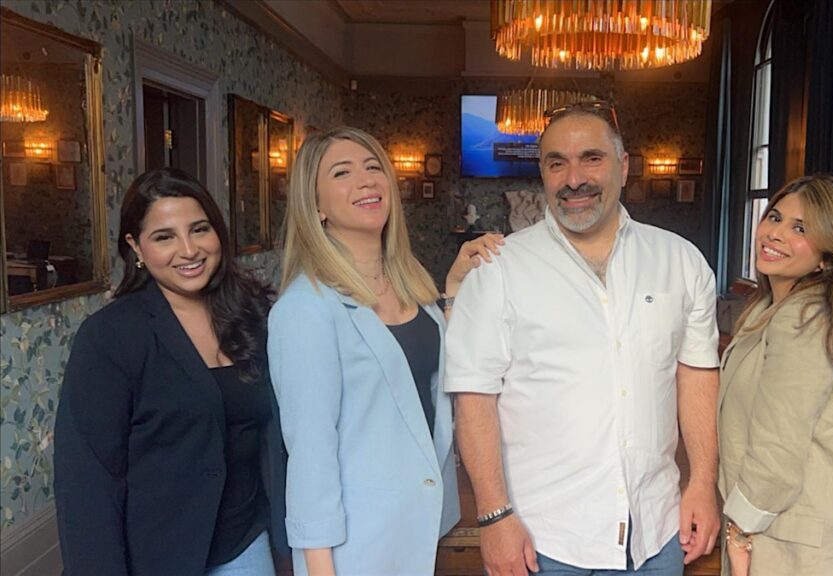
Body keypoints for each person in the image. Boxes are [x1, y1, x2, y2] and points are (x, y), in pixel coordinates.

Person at [445, 102, 722, 575]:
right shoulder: (499, 270)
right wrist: (493, 516)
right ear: (542, 172)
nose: (574, 179)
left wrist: (702, 483)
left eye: (591, 158)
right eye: (557, 163)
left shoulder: (680, 261)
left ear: (624, 166)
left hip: (657, 532)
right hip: (544, 540)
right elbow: (474, 398)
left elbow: (696, 377)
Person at [268, 126, 502, 575]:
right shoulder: (305, 309)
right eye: (342, 172)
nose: (366, 180)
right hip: (356, 545)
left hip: (424, 527)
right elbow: (311, 454)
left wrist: (453, 289)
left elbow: (428, 383)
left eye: (374, 167)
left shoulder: (411, 284)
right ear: (315, 206)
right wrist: (319, 569)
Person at [54, 168, 287, 575]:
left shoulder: (256, 315)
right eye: (165, 237)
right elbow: (87, 481)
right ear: (136, 247)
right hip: (155, 555)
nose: (189, 250)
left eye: (199, 229)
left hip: (244, 544)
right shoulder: (111, 336)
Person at [717, 175, 833, 576]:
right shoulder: (769, 308)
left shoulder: (804, 317)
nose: (775, 233)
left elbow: (778, 448)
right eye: (775, 217)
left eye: (801, 229)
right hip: (792, 529)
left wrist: (740, 530)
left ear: (827, 256)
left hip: (799, 541)